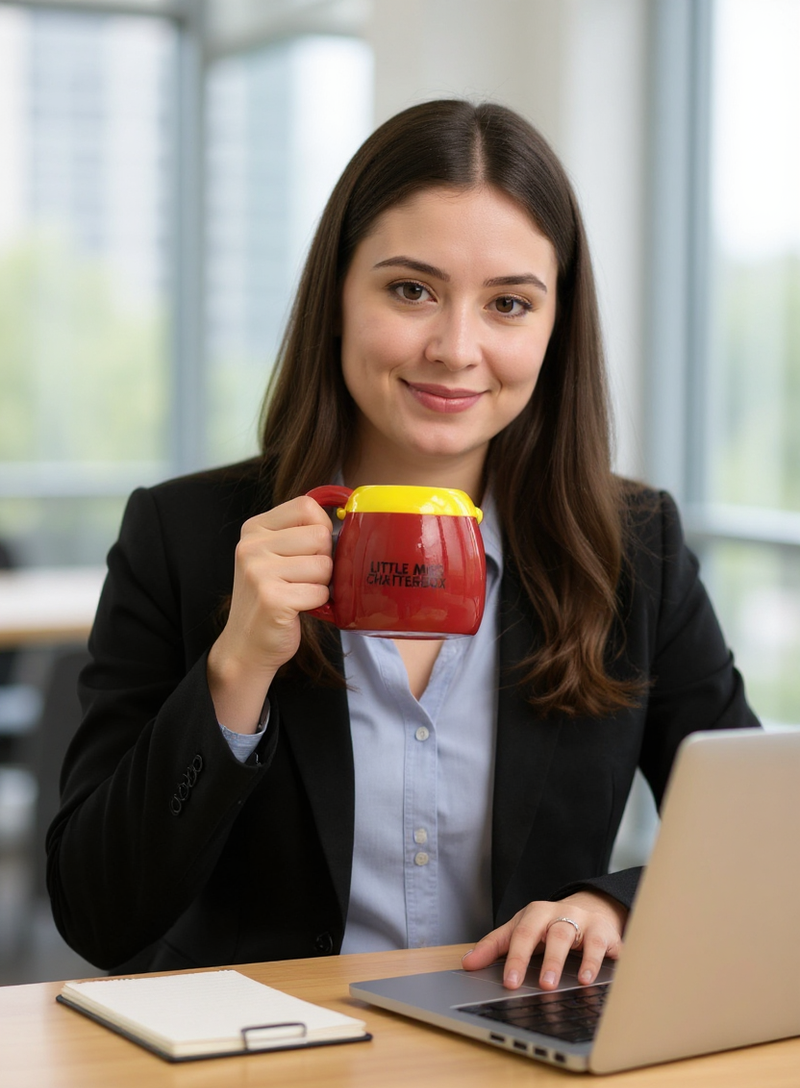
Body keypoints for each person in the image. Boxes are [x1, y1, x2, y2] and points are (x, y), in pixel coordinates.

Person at [46, 99, 757, 989]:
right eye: (411, 289)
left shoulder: (631, 548)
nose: (457, 348)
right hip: (253, 1079)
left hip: (521, 1068)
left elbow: (756, 846)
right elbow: (95, 916)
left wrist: (610, 905)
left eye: (508, 304)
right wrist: (233, 675)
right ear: (338, 296)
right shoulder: (186, 537)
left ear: (554, 328)